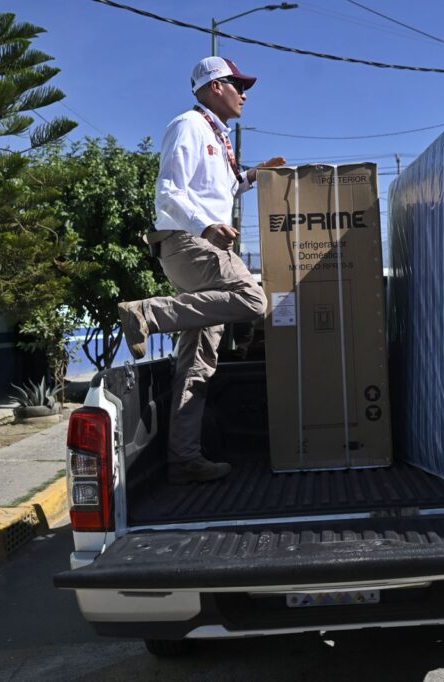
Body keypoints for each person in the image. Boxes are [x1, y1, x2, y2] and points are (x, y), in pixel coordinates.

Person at [117, 56, 284, 484]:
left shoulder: (216, 135)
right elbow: (169, 190)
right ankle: (147, 314)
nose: (244, 94)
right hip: (189, 243)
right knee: (253, 299)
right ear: (214, 87)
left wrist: (250, 176)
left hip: (198, 244)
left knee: (197, 364)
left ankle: (184, 459)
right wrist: (205, 225)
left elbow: (216, 188)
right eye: (237, 85)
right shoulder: (189, 125)